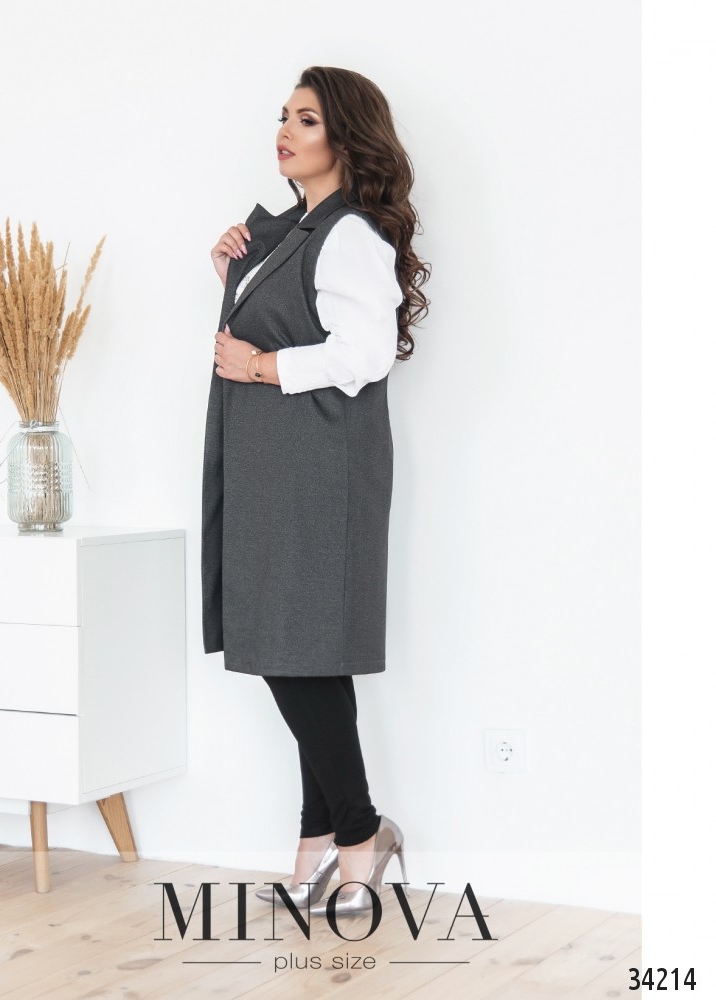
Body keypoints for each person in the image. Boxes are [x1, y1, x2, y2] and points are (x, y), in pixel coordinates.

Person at [201, 66, 430, 917]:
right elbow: (295, 314)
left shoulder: (350, 235)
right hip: (281, 463)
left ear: (345, 137)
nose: (286, 131)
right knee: (302, 651)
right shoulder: (295, 231)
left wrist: (259, 365)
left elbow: (362, 354)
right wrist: (233, 271)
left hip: (319, 468)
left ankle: (361, 833)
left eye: (307, 119)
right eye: (284, 117)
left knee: (294, 648)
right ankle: (320, 835)